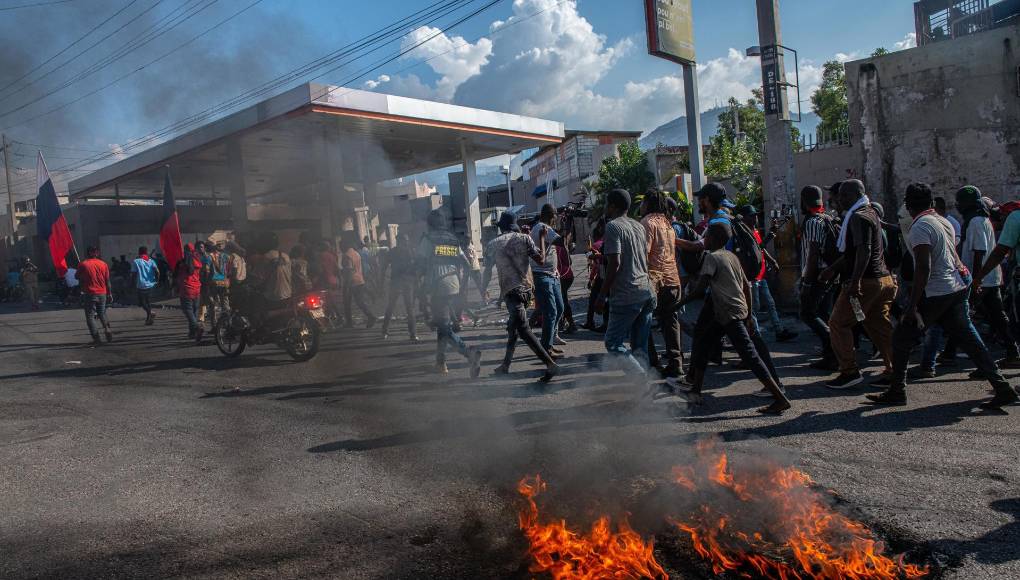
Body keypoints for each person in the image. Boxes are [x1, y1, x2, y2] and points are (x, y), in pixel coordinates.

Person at [867, 183, 1018, 409]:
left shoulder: (920, 227)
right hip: (956, 288)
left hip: (937, 291)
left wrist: (912, 306)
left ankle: (897, 391)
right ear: (931, 203)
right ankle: (1002, 387)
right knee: (970, 340)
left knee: (901, 338)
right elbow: (952, 256)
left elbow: (923, 268)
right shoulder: (943, 221)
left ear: (908, 205)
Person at [670, 222, 791, 414]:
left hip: (729, 314)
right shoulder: (731, 256)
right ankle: (696, 390)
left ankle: (780, 398)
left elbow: (700, 290)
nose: (704, 239)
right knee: (702, 342)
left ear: (715, 239)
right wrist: (749, 315)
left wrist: (676, 305)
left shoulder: (712, 257)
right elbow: (747, 286)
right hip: (733, 311)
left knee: (750, 355)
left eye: (707, 236)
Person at [820, 179, 897, 389]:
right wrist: (832, 269)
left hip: (867, 280)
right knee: (877, 325)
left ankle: (849, 371)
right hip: (884, 279)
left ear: (855, 195)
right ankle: (895, 369)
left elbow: (863, 252)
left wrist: (855, 282)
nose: (839, 199)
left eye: (844, 195)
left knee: (838, 323)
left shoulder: (857, 217)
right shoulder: (871, 213)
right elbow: (853, 252)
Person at [483, 212, 559, 381]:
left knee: (523, 329)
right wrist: (541, 237)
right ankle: (505, 365)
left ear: (501, 227)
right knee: (513, 327)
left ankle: (550, 365)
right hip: (526, 291)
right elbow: (541, 260)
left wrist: (483, 289)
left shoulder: (493, 244)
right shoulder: (525, 239)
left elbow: (487, 272)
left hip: (511, 292)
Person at [594, 189, 656, 379]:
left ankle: (642, 381)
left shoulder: (613, 227)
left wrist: (602, 295)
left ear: (612, 206)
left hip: (626, 294)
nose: (605, 208)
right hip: (646, 291)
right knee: (639, 348)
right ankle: (643, 396)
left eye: (606, 204)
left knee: (613, 343)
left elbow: (615, 263)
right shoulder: (638, 226)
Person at [418, 210, 482, 376]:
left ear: (430, 224)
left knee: (444, 326)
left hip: (437, 287)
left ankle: (469, 353)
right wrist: (462, 285)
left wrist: (420, 289)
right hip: (454, 285)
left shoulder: (428, 239)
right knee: (442, 324)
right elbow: (466, 264)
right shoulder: (453, 240)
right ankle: (441, 363)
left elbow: (420, 264)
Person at [737, 204, 798, 343]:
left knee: (770, 304)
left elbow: (761, 250)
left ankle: (778, 331)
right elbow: (757, 249)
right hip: (752, 276)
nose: (755, 218)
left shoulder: (755, 231)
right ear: (744, 218)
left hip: (760, 274)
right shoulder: (744, 234)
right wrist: (770, 236)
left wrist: (772, 261)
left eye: (755, 215)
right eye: (752, 216)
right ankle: (755, 335)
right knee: (754, 307)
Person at [640, 190, 684, 378]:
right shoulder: (667, 223)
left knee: (644, 320)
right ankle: (676, 363)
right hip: (673, 280)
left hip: (655, 281)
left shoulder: (647, 223)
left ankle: (651, 361)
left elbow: (644, 252)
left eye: (642, 202)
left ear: (648, 203)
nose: (640, 206)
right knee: (671, 323)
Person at [798, 186, 839, 370]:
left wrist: (807, 282)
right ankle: (830, 352)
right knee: (824, 313)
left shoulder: (813, 222)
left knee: (807, 313)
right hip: (829, 274)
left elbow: (813, 254)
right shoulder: (828, 218)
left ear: (804, 202)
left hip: (817, 275)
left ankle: (833, 347)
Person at [531, 204, 565, 354]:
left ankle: (548, 342)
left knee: (559, 308)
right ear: (552, 216)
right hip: (542, 275)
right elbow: (563, 242)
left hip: (552, 275)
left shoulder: (544, 228)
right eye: (556, 216)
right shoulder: (542, 227)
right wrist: (567, 224)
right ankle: (546, 347)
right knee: (551, 311)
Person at [381, 232, 420, 342]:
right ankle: (412, 334)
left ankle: (385, 331)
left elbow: (383, 267)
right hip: (407, 282)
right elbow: (416, 269)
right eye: (405, 240)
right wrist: (417, 283)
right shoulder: (411, 251)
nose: (407, 242)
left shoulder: (393, 252)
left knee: (391, 306)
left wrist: (381, 281)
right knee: (409, 309)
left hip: (397, 282)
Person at [76, 247, 114, 345]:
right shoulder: (104, 264)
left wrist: (83, 273)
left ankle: (96, 338)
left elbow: (77, 276)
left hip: (90, 293)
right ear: (97, 253)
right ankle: (107, 329)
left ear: (88, 253)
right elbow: (107, 281)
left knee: (90, 316)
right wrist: (110, 293)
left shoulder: (83, 264)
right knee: (102, 313)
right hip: (103, 293)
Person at [341, 232, 377, 328]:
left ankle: (349, 322)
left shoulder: (347, 255)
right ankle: (371, 316)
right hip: (359, 280)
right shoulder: (356, 253)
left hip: (351, 282)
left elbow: (349, 271)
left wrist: (347, 285)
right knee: (360, 302)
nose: (340, 247)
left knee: (347, 302)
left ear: (345, 245)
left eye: (341, 244)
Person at [583, 220, 607, 332]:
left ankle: (590, 321)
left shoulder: (597, 245)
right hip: (604, 274)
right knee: (606, 299)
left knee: (595, 298)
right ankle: (603, 323)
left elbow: (596, 265)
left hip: (602, 275)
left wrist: (591, 278)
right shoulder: (604, 242)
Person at [177, 243, 204, 341]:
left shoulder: (183, 261)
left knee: (187, 309)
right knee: (194, 311)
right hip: (197, 288)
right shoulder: (198, 259)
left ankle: (197, 327)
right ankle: (192, 333)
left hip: (186, 288)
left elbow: (177, 272)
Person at [554, 236, 578, 334]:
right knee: (560, 300)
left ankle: (571, 324)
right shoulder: (559, 248)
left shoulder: (556, 249)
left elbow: (569, 263)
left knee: (562, 300)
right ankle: (562, 322)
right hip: (564, 276)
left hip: (564, 277)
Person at [131, 246, 159, 325]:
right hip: (151, 285)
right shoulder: (151, 261)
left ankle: (150, 312)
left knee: (142, 303)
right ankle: (148, 320)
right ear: (146, 252)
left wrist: (131, 285)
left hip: (141, 285)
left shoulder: (136, 261)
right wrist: (157, 280)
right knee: (147, 302)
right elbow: (157, 271)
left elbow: (133, 274)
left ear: (139, 252)